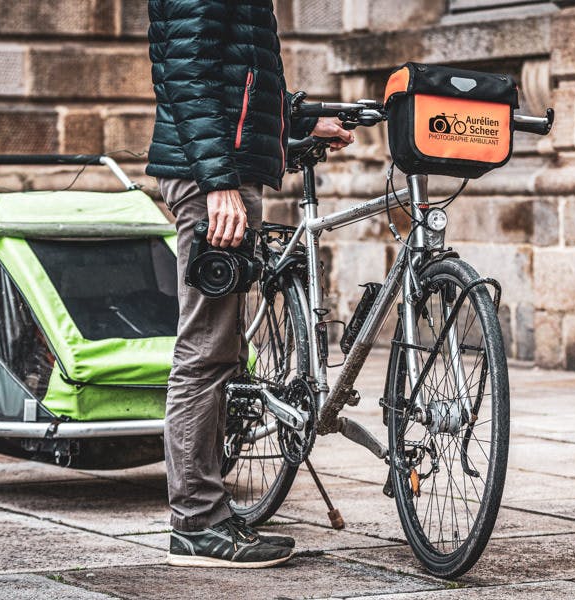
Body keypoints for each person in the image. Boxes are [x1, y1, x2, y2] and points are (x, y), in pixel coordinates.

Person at [145, 1, 353, 568]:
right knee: (206, 352)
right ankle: (195, 525)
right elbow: (188, 79)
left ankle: (208, 513)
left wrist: (298, 119)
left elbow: (242, 78)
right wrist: (218, 184)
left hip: (226, 168)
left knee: (222, 350)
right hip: (211, 176)